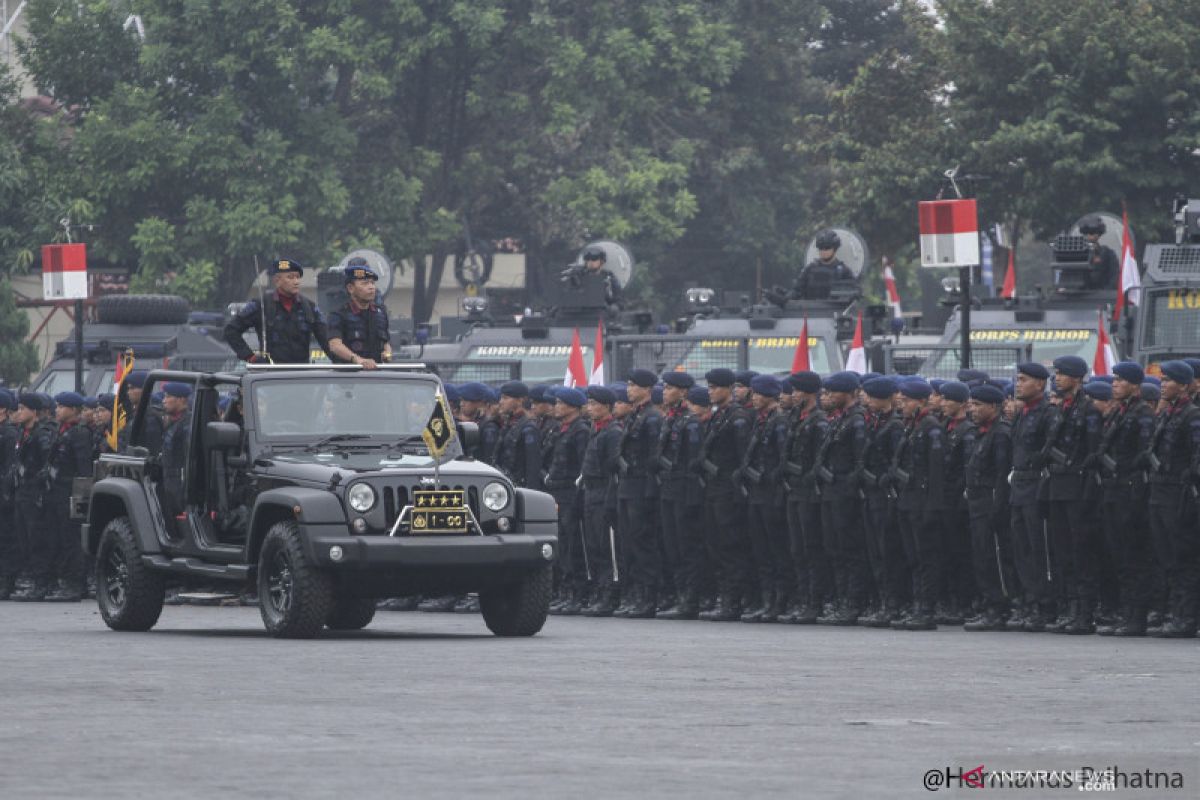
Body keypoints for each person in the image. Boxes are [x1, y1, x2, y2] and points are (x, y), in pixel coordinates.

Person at [1043, 355, 1103, 634]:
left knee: (1081, 552)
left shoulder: (1088, 410)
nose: (1057, 378)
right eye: (1057, 373)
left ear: (1077, 378)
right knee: (1063, 551)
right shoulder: (1062, 409)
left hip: (1077, 488)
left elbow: (1093, 452)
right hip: (1058, 486)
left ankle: (1084, 612)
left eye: (1062, 373)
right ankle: (1071, 608)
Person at [1145, 360, 1200, 637]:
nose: (1163, 384)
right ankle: (1175, 612)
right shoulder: (1168, 414)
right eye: (1162, 380)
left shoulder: (1192, 415)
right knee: (1166, 557)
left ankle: (1186, 617)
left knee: (1183, 558)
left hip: (1178, 494)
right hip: (1160, 492)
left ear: (1183, 384)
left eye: (1168, 380)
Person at [697, 368, 754, 622]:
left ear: (728, 389)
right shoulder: (719, 416)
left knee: (730, 547)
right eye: (709, 387)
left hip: (728, 491)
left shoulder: (738, 417)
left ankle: (734, 600)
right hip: (713, 489)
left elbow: (743, 458)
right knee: (715, 545)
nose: (710, 391)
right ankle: (725, 597)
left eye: (715, 387)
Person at [736, 375, 792, 623]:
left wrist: (767, 477)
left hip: (771, 493)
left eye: (759, 394)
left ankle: (780, 600)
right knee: (761, 550)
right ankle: (767, 598)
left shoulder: (779, 422)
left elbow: (781, 459)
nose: (754, 397)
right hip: (757, 494)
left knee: (776, 548)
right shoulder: (761, 421)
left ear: (770, 395)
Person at [891, 379, 945, 631]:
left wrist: (933, 507)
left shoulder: (930, 427)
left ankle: (927, 609)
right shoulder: (911, 426)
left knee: (927, 558)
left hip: (923, 503)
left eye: (907, 401)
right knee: (913, 557)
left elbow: (936, 472)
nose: (902, 405)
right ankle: (917, 605)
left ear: (921, 401)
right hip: (908, 501)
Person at [814, 371, 868, 625]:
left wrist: (848, 486)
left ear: (848, 393)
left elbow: (860, 461)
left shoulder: (857, 421)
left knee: (850, 550)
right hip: (831, 492)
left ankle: (853, 603)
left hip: (845, 494)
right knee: (834, 549)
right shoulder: (840, 419)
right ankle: (841, 599)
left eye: (833, 392)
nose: (828, 396)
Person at [1007, 362, 1057, 631]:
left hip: (1037, 486)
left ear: (1040, 384)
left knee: (1039, 549)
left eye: (1024, 379)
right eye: (1018, 379)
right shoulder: (1022, 414)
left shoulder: (1048, 413)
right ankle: (1030, 601)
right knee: (1022, 548)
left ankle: (1044, 604)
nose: (1018, 384)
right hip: (1019, 486)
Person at [780, 371, 831, 624]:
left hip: (809, 492)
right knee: (797, 549)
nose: (794, 395)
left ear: (809, 392)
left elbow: (818, 459)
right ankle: (803, 598)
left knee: (811, 548)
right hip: (795, 491)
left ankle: (815, 601)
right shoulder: (795, 418)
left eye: (798, 391)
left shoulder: (818, 421)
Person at [962, 384, 1014, 631]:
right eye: (971, 404)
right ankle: (989, 603)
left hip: (990, 503)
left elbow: (1002, 474)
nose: (972, 409)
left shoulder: (1001, 433)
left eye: (978, 405)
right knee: (980, 555)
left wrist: (998, 508)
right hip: (977, 503)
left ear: (993, 407)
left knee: (993, 557)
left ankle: (1000, 607)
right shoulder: (982, 432)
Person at [613, 369, 663, 619]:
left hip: (641, 487)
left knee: (642, 541)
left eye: (633, 386)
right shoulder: (637, 416)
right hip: (627, 487)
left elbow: (653, 456)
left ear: (646, 389)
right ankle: (635, 594)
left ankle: (648, 596)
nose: (629, 390)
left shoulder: (652, 417)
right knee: (628, 542)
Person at [858, 376, 907, 628]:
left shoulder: (894, 426)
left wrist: (882, 479)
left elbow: (896, 462)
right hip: (872, 494)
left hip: (886, 496)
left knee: (887, 552)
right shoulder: (875, 423)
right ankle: (883, 601)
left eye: (870, 396)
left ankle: (893, 604)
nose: (866, 401)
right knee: (875, 552)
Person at [41, 392, 96, 601]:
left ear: (74, 410)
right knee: (61, 539)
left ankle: (75, 584)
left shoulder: (79, 433)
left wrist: (81, 499)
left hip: (71, 493)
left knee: (72, 540)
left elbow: (83, 468)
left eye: (62, 406)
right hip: (58, 492)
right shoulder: (62, 431)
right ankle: (68, 581)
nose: (57, 410)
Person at [224, 258, 331, 364]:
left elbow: (327, 341)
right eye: (290, 277)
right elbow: (231, 330)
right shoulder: (261, 305)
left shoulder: (309, 307)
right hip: (270, 374)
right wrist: (250, 357)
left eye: (298, 277)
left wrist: (344, 367)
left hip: (300, 375)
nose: (296, 282)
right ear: (277, 281)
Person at [544, 387, 591, 615]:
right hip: (557, 491)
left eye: (560, 403)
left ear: (572, 407)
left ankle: (577, 593)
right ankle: (565, 590)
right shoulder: (561, 430)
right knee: (561, 543)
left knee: (572, 544)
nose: (556, 407)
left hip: (570, 493)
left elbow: (582, 466)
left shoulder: (580, 430)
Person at [579, 385, 623, 617]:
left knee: (607, 547)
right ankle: (598, 589)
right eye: (589, 404)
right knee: (593, 546)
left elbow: (612, 468)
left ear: (606, 406)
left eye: (594, 404)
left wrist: (609, 499)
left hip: (604, 492)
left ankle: (609, 594)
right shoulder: (596, 431)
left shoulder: (613, 432)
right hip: (591, 492)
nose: (590, 408)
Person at [654, 371, 695, 616]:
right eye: (665, 387)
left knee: (685, 545)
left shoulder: (690, 422)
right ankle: (679, 596)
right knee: (672, 546)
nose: (665, 392)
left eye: (670, 388)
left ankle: (689, 599)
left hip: (683, 491)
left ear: (683, 392)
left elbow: (691, 461)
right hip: (668, 489)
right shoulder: (671, 419)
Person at [8, 393, 56, 602]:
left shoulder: (41, 434)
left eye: (22, 408)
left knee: (37, 540)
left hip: (34, 494)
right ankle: (33, 580)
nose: (18, 412)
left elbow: (46, 464)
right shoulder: (23, 433)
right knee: (24, 539)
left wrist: (37, 488)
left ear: (33, 412)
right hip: (22, 493)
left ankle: (41, 583)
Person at [937, 381, 977, 624]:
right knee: (947, 552)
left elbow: (966, 469)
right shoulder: (945, 426)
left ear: (962, 403)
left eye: (947, 399)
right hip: (944, 499)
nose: (942, 403)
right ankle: (951, 600)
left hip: (958, 501)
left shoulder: (967, 431)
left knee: (961, 553)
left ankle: (964, 603)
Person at [327, 259, 391, 368]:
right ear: (351, 288)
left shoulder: (380, 313)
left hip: (377, 377)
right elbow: (335, 345)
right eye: (365, 283)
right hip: (349, 378)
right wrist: (358, 360)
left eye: (372, 283)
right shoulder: (338, 315)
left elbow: (385, 343)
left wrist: (388, 354)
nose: (371, 287)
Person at [493, 382, 543, 491]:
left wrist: (531, 493)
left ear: (520, 400)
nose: (501, 402)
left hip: (520, 487)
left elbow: (533, 465)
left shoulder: (528, 427)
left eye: (505, 398)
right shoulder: (510, 423)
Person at [793, 229, 857, 300]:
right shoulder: (809, 270)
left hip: (837, 310)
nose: (823, 251)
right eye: (821, 248)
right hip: (811, 309)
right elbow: (796, 292)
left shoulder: (844, 272)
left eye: (827, 248)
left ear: (834, 248)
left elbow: (853, 294)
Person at [0, 389, 19, 599]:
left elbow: (9, 466)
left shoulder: (9, 433)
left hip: (3, 494)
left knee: (5, 539)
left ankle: (6, 581)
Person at [1078, 214, 1119, 291]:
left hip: (1101, 297)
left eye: (1093, 232)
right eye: (1086, 233)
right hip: (1079, 296)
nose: (1090, 236)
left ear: (1099, 234)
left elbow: (1114, 277)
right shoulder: (1076, 254)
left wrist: (1105, 293)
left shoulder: (1108, 254)